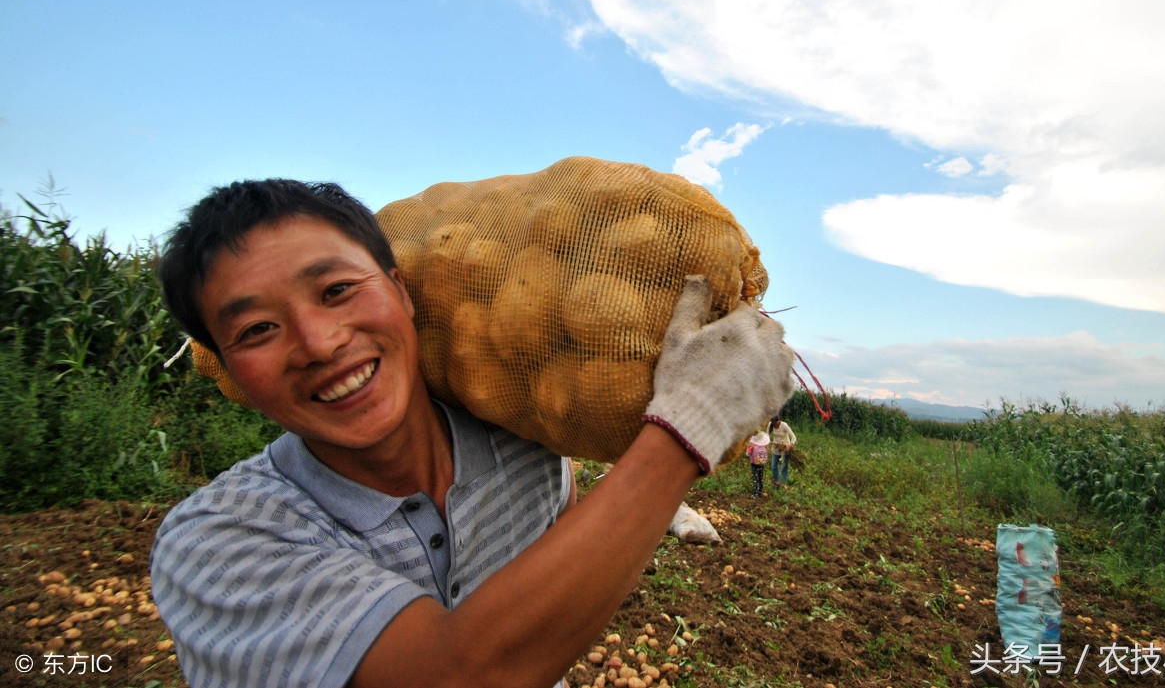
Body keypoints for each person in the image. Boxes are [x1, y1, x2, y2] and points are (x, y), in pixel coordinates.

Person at [149, 179, 794, 688]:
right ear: (228, 368)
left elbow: (557, 578)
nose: (319, 343)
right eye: (257, 329)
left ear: (401, 292)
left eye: (338, 289)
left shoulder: (529, 449)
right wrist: (688, 428)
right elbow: (457, 674)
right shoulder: (216, 545)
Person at [769, 415, 797, 489]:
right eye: (773, 423)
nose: (775, 424)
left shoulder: (784, 425)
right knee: (774, 467)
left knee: (783, 467)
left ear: (778, 421)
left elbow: (793, 437)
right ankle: (776, 482)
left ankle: (783, 484)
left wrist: (789, 446)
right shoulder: (770, 425)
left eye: (776, 422)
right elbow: (767, 435)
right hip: (775, 448)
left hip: (785, 449)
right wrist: (767, 445)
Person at [746, 431, 770, 498]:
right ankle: (760, 492)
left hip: (754, 465)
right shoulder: (764, 447)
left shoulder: (752, 447)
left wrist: (748, 449)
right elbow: (767, 453)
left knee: (755, 478)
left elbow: (747, 454)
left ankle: (755, 494)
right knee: (760, 478)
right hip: (762, 464)